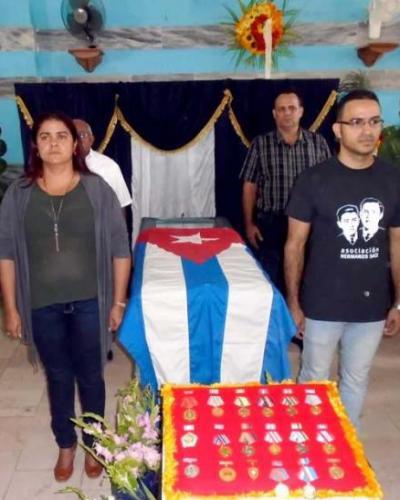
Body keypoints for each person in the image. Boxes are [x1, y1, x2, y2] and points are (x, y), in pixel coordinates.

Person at [0, 112, 131, 481]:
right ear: (36, 146)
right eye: (45, 136)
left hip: (91, 301)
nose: (54, 143)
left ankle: (93, 442)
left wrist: (118, 302)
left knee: (91, 376)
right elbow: (5, 252)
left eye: (62, 136)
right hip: (42, 304)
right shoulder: (18, 194)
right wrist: (11, 308)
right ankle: (65, 443)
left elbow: (120, 248)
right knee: (57, 377)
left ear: (76, 145)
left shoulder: (96, 189)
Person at [284, 89, 400, 430]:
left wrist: (398, 302)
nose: (368, 130)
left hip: (371, 306)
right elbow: (294, 246)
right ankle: (308, 446)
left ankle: (345, 454)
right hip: (322, 304)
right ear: (337, 130)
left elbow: (397, 243)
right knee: (314, 377)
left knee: (355, 378)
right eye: (357, 122)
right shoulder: (314, 180)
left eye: (374, 121)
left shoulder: (393, 180)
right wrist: (294, 302)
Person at [240, 89, 331, 294]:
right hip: (271, 224)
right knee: (271, 282)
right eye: (281, 109)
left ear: (301, 112)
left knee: (308, 280)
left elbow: (329, 185)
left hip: (311, 225)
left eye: (292, 108)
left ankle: (303, 323)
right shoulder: (260, 144)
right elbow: (249, 186)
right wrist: (249, 224)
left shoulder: (318, 144)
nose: (287, 113)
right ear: (274, 114)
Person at [72, 119, 132, 209]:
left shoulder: (109, 167)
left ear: (92, 139)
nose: (77, 141)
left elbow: (120, 206)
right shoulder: (55, 165)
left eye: (82, 135)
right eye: (72, 136)